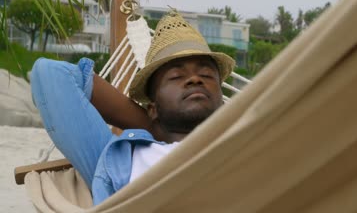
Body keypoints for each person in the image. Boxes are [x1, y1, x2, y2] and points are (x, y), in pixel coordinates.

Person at [30, 11, 235, 205]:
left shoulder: (246, 147)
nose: (194, 79)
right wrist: (154, 126)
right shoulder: (123, 161)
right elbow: (50, 74)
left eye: (206, 75)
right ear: (153, 108)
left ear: (222, 101)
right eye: (176, 76)